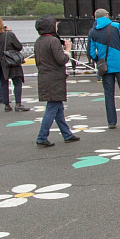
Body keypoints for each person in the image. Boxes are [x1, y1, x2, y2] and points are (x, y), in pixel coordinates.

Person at [88, 8, 120, 128]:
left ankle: (111, 122)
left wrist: (99, 60)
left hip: (105, 66)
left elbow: (90, 52)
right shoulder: (116, 26)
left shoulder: (92, 31)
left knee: (108, 94)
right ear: (107, 15)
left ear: (95, 18)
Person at [34, 16, 80, 147]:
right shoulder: (53, 41)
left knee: (58, 107)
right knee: (52, 107)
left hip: (44, 76)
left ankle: (67, 134)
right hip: (54, 78)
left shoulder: (39, 41)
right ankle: (42, 137)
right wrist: (68, 50)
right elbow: (61, 60)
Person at [0, 17, 28, 113]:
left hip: (0, 63)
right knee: (17, 82)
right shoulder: (9, 35)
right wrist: (8, 31)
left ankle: (6, 105)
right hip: (12, 61)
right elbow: (19, 46)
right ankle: (18, 104)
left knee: (4, 83)